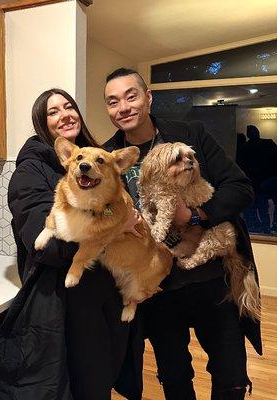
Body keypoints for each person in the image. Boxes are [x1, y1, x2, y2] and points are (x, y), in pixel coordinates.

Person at [102, 68, 262, 400]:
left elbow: (240, 187)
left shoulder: (191, 134)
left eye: (131, 96)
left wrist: (195, 215)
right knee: (174, 375)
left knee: (230, 373)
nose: (123, 107)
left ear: (148, 98)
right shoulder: (107, 156)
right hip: (159, 288)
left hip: (211, 280)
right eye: (113, 101)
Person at [0, 88, 144, 400]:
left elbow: (113, 207)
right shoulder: (31, 171)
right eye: (53, 112)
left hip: (108, 287)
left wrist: (120, 219)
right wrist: (112, 230)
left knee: (105, 375)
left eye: (69, 107)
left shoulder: (96, 157)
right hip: (67, 300)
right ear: (42, 124)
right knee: (85, 384)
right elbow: (42, 243)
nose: (65, 115)